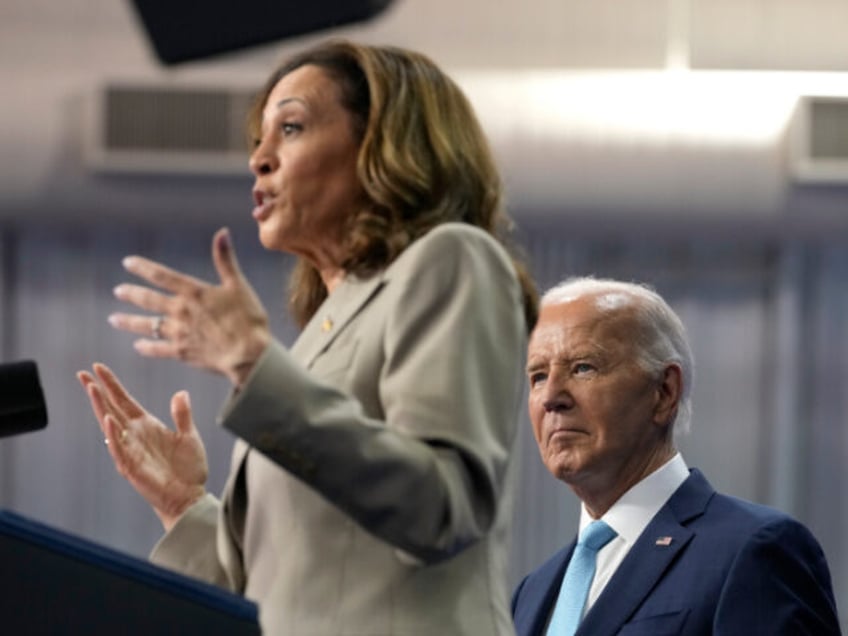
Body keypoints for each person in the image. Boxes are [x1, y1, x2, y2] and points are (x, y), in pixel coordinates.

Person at [77, 39, 538, 635]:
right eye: (258, 140)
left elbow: (441, 509)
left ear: (382, 147)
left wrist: (253, 366)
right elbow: (276, 597)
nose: (259, 159)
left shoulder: (452, 259)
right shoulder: (313, 346)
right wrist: (182, 504)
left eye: (290, 127)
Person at [511, 276, 840, 635]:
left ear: (664, 392)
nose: (551, 397)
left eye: (583, 367)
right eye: (538, 376)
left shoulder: (754, 551)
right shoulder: (531, 593)